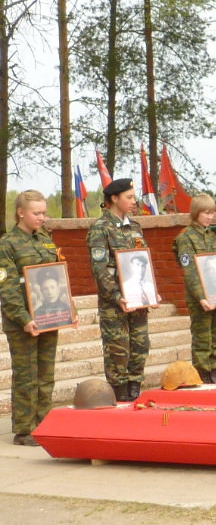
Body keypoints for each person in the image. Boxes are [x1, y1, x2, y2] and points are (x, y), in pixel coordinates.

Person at [0, 190, 77, 445]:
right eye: (37, 213)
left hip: (49, 316)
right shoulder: (7, 244)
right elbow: (7, 288)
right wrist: (24, 319)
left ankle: (43, 422)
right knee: (27, 375)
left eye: (44, 213)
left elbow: (58, 276)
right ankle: (24, 430)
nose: (42, 217)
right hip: (22, 322)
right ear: (21, 213)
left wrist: (70, 310)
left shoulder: (45, 240)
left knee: (45, 374)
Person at [86, 178, 155, 402]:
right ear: (114, 198)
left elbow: (143, 262)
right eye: (129, 197)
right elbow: (99, 269)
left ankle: (135, 383)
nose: (134, 201)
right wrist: (116, 296)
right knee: (118, 347)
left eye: (134, 197)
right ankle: (119, 389)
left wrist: (151, 290)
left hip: (138, 298)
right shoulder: (100, 228)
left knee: (140, 343)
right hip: (115, 302)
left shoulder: (135, 227)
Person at [173, 193, 216, 384]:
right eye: (206, 213)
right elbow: (190, 271)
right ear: (196, 212)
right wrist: (201, 297)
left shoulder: (214, 235)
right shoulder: (186, 238)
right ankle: (203, 374)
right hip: (200, 297)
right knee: (202, 338)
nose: (210, 217)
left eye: (212, 213)